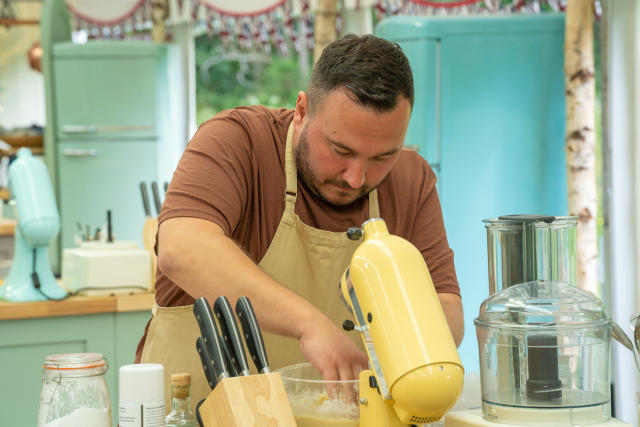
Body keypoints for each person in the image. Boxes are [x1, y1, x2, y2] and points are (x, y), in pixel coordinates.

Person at [135, 33, 464, 409]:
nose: (356, 177)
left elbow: (447, 311)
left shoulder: (411, 179)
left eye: (381, 158)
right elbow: (183, 249)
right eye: (341, 151)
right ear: (302, 110)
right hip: (193, 413)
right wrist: (309, 325)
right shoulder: (238, 140)